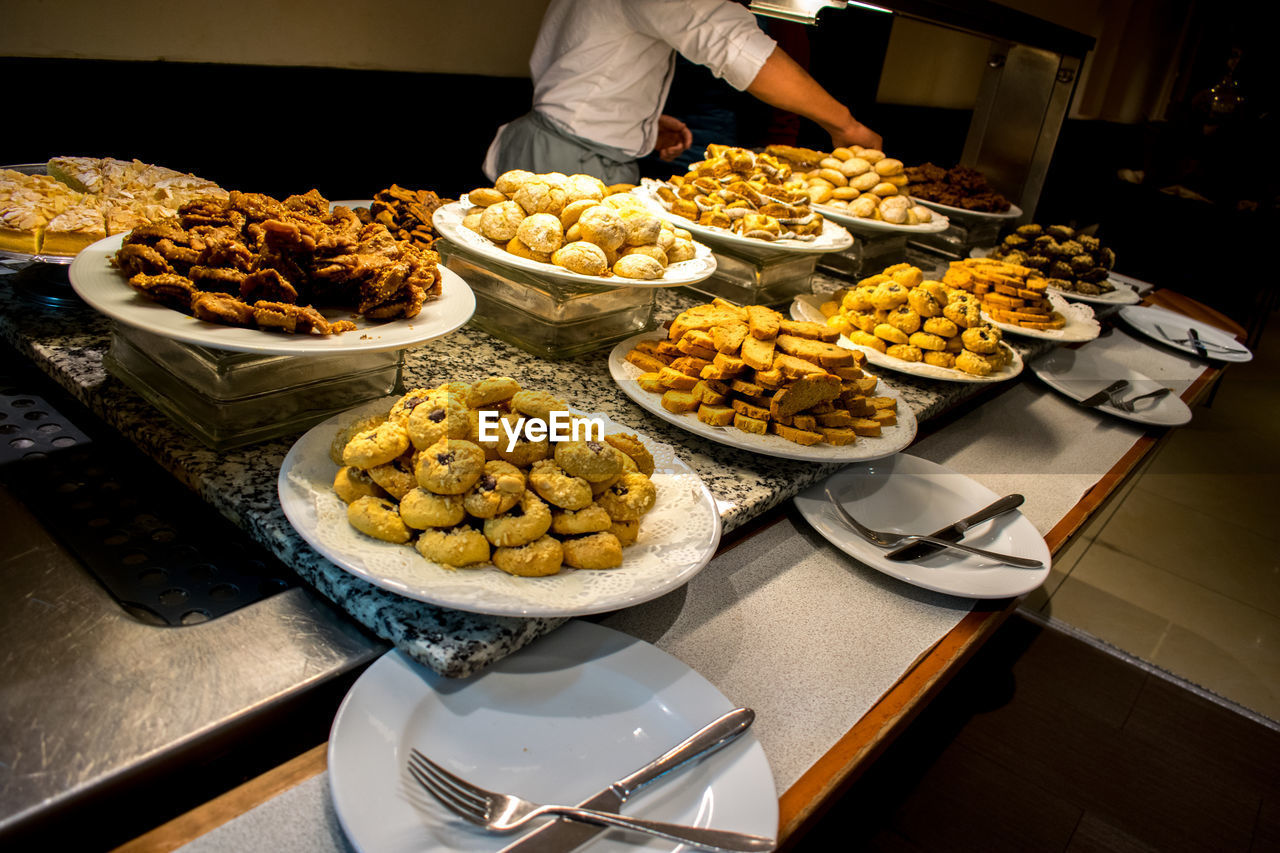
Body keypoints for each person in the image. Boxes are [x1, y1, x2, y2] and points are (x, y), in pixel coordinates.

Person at [482, 0, 882, 185]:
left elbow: (588, 64)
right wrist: (845, 126)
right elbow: (736, 48)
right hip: (567, 165)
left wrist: (636, 124)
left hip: (561, 145)